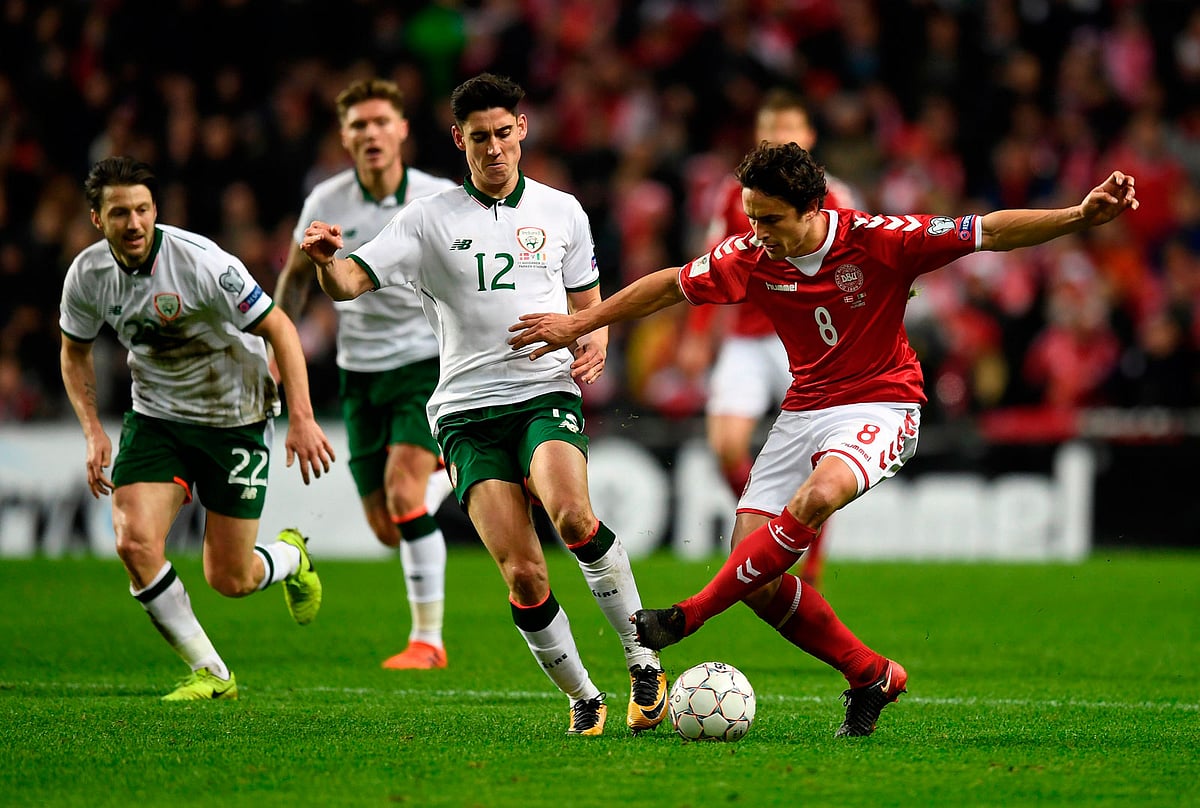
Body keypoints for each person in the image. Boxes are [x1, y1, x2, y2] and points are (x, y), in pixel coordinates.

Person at [509, 143, 1138, 737]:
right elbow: (671, 283)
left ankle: (689, 615)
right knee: (754, 574)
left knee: (817, 496)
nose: (757, 232)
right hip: (805, 406)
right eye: (751, 217)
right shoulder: (751, 255)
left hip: (883, 403)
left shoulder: (881, 241)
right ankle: (872, 674)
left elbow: (990, 231)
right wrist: (582, 320)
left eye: (771, 219)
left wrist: (1079, 216)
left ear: (815, 210)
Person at [300, 73, 668, 736]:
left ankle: (643, 659)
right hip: (465, 413)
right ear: (457, 140)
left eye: (503, 133)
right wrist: (328, 260)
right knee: (524, 575)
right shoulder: (424, 220)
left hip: (542, 392)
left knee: (574, 517)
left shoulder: (563, 212)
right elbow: (351, 282)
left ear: (522, 130)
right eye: (479, 138)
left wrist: (597, 340)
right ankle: (584, 694)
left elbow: (591, 304)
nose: (494, 148)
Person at [59, 156, 335, 701]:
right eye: (120, 213)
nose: (134, 223)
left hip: (235, 417)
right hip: (157, 417)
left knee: (230, 579)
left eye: (142, 209)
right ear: (98, 219)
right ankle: (212, 673)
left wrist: (301, 416)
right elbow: (74, 353)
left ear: (155, 210)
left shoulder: (202, 263)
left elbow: (279, 325)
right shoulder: (87, 277)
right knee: (134, 542)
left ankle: (289, 558)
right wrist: (93, 430)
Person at [276, 78, 457, 671]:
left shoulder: (438, 196)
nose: (371, 133)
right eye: (359, 125)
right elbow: (297, 280)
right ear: (345, 136)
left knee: (405, 496)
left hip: (425, 361)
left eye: (382, 121)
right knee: (389, 527)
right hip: (360, 373)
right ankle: (465, 469)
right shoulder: (326, 201)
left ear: (402, 129)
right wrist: (276, 350)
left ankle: (427, 642)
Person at [677, 88, 861, 589]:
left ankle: (812, 559)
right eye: (771, 131)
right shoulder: (736, 195)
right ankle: (785, 526)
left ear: (809, 137)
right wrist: (697, 333)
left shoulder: (836, 197)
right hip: (748, 338)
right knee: (725, 445)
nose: (780, 139)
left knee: (820, 463)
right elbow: (709, 260)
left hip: (810, 340)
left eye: (789, 130)